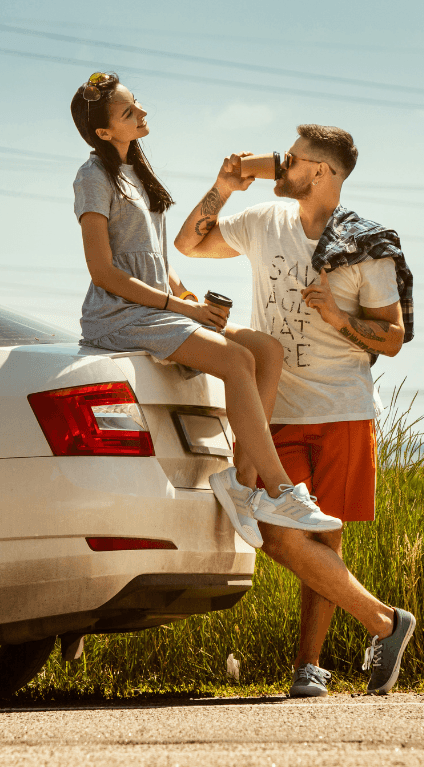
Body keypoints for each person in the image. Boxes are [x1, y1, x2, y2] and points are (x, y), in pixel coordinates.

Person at [173, 124, 416, 696]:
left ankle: (308, 668)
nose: (282, 166)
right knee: (278, 535)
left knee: (323, 542)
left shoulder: (366, 246)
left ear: (322, 172)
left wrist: (338, 318)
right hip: (274, 410)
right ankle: (385, 621)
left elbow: (392, 338)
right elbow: (189, 244)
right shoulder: (264, 220)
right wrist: (223, 186)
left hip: (341, 408)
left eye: (295, 159)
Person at [69, 72, 343, 539]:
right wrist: (181, 308)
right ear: (103, 132)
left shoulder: (136, 171)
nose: (142, 112)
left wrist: (185, 296)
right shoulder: (92, 177)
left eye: (137, 103)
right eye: (129, 112)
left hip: (158, 307)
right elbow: (104, 272)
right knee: (237, 360)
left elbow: (151, 256)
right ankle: (281, 491)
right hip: (119, 315)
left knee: (267, 351)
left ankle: (242, 485)